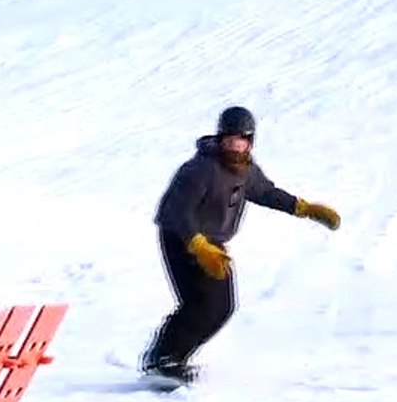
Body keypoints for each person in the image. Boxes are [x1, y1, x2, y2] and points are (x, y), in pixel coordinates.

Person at [140, 106, 342, 383]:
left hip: (212, 244)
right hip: (181, 238)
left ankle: (173, 356)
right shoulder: (200, 169)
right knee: (200, 303)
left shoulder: (246, 171)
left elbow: (266, 192)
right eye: (230, 140)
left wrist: (303, 208)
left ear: (250, 142)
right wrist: (197, 245)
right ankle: (164, 358)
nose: (235, 147)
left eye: (242, 141)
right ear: (221, 138)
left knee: (222, 307)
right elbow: (177, 210)